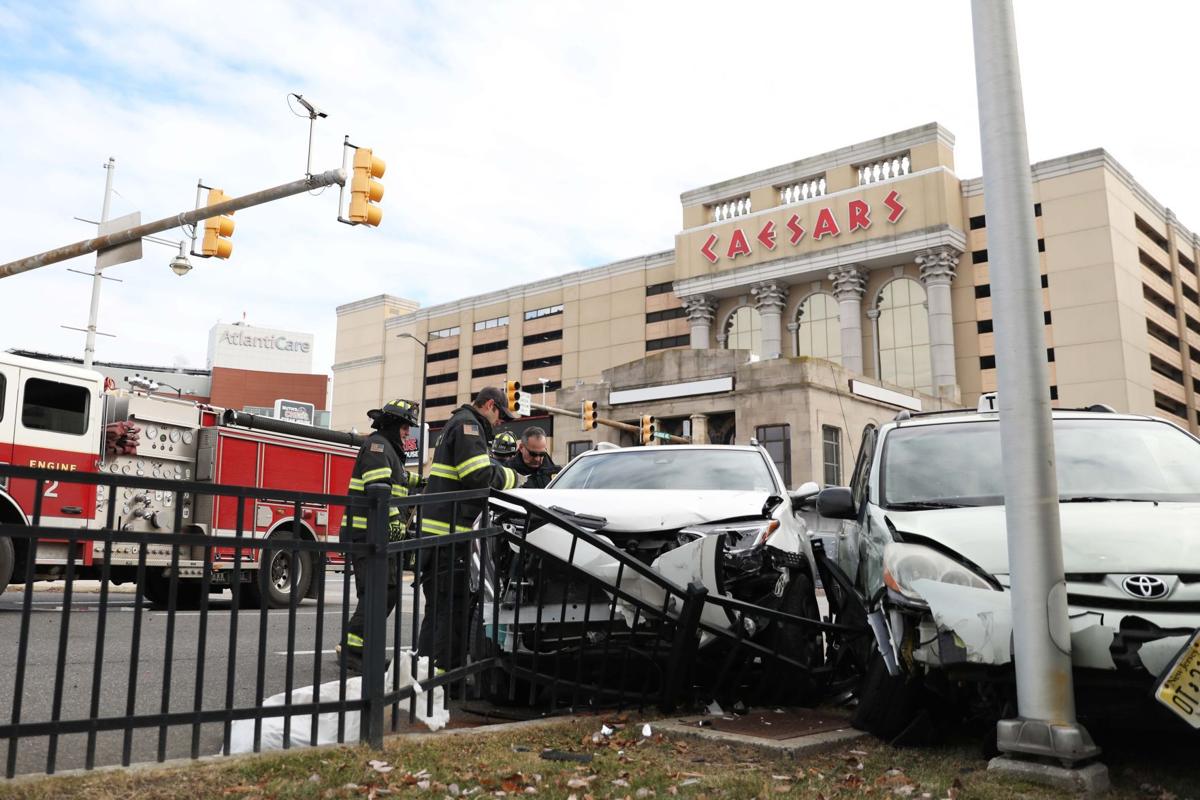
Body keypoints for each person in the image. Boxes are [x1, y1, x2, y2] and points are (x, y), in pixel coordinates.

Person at [418, 387, 518, 670]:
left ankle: (426, 673)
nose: (501, 423)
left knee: (439, 611)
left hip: (441, 538)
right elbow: (478, 476)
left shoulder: (461, 424)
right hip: (451, 539)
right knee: (452, 612)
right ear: (490, 405)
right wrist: (513, 477)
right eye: (501, 415)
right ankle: (444, 678)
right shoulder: (468, 426)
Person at [338, 398, 422, 673]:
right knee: (379, 591)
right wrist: (395, 524)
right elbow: (379, 488)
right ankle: (354, 651)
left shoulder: (386, 449)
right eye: (405, 426)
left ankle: (358, 647)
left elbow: (396, 479)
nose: (408, 432)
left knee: (383, 591)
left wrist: (421, 482)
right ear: (392, 424)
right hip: (366, 534)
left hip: (374, 535)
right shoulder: (377, 447)